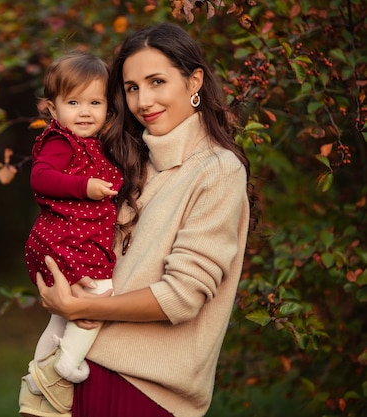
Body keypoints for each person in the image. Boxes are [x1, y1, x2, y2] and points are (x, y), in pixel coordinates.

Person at [35, 22, 254, 417]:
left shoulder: (217, 171)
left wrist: (79, 308)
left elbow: (182, 296)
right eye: (132, 88)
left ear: (194, 82)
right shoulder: (130, 161)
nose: (143, 101)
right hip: (80, 370)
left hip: (143, 390)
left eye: (156, 81)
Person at [19, 51, 124, 417]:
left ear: (108, 108)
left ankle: (37, 375)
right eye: (73, 102)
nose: (85, 112)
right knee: (101, 294)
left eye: (95, 103)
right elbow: (39, 177)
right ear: (51, 108)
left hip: (69, 240)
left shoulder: (96, 143)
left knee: (60, 317)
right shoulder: (59, 142)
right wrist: (85, 187)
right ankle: (65, 366)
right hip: (65, 240)